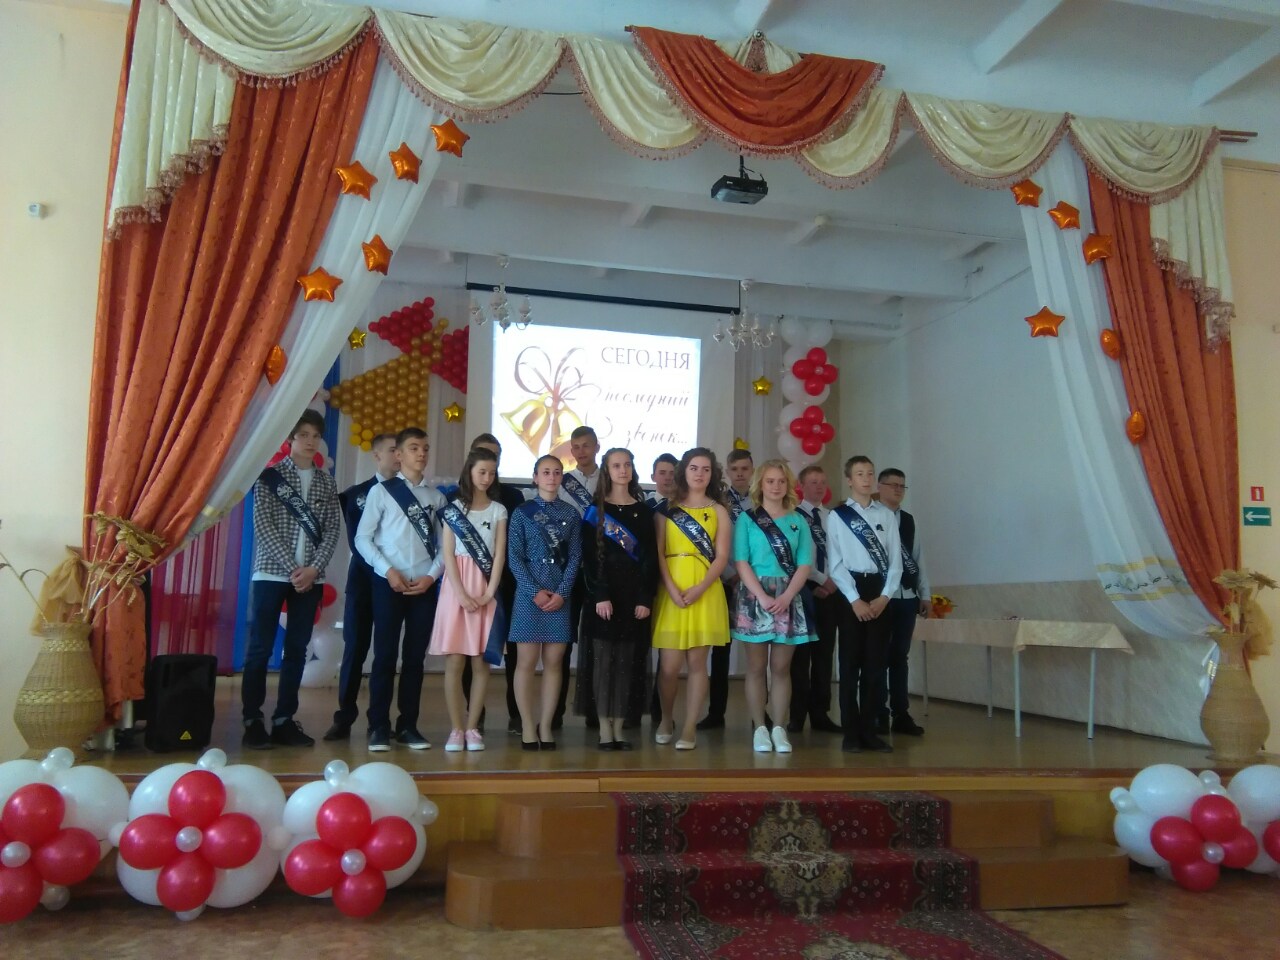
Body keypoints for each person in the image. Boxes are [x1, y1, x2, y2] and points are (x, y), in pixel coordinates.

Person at [242, 410, 340, 750]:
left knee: (297, 649)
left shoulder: (327, 482)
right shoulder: (269, 478)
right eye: (304, 435)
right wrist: (292, 568)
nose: (310, 441)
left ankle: (284, 719)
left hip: (311, 577)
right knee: (260, 648)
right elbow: (263, 527)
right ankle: (252, 720)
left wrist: (313, 569)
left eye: (316, 435)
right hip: (270, 572)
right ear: (290, 440)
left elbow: (332, 529)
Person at [354, 427, 445, 752]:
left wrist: (431, 577)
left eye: (425, 448)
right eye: (414, 447)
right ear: (399, 454)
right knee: (385, 656)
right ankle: (378, 726)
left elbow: (445, 547)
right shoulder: (381, 492)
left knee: (415, 659)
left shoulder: (436, 498)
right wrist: (388, 570)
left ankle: (408, 726)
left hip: (423, 587)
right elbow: (362, 539)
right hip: (388, 584)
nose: (421, 453)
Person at [652, 447, 732, 751]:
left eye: (706, 469)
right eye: (694, 468)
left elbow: (721, 557)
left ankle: (689, 727)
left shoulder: (719, 510)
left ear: (713, 474)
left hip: (705, 590)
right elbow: (659, 553)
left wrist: (700, 588)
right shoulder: (666, 509)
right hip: (671, 588)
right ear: (684, 471)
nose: (700, 474)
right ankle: (666, 719)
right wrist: (672, 589)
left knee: (698, 663)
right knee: (669, 666)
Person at [732, 460, 815, 754]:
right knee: (756, 668)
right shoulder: (747, 520)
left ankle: (779, 728)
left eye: (781, 481)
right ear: (760, 484)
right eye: (770, 481)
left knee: (781, 668)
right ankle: (760, 728)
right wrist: (762, 597)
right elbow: (741, 561)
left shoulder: (798, 521)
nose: (776, 486)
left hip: (788, 597)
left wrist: (787, 596)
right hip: (755, 596)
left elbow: (805, 564)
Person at [430, 447, 509, 752]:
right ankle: (456, 728)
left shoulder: (499, 510)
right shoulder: (454, 509)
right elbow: (448, 554)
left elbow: (499, 554)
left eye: (491, 472)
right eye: (481, 472)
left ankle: (473, 727)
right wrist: (461, 594)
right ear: (470, 472)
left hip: (486, 587)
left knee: (480, 662)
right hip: (457, 588)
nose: (486, 478)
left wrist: (489, 593)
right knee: (455, 660)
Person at [579, 448, 658, 750]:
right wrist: (600, 594)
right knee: (603, 663)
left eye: (627, 464)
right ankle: (604, 728)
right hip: (603, 599)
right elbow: (589, 559)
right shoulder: (595, 511)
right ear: (607, 470)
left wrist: (645, 598)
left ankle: (620, 727)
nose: (623, 470)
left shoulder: (645, 512)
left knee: (626, 664)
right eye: (616, 465)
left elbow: (650, 560)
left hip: (633, 598)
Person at [825, 455, 903, 754]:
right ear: (849, 479)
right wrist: (854, 599)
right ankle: (851, 733)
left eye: (870, 473)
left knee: (875, 665)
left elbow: (895, 561)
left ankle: (870, 731)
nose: (866, 479)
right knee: (850, 665)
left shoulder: (886, 515)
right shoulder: (838, 516)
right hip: (850, 592)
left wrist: (885, 596)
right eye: (860, 474)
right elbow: (835, 563)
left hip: (880, 591)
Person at [324, 433, 398, 742]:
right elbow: (359, 541)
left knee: (386, 651)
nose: (398, 455)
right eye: (392, 450)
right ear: (377, 455)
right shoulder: (356, 495)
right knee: (355, 647)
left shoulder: (410, 494)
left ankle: (379, 720)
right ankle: (344, 716)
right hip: (364, 580)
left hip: (394, 581)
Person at [507, 454, 582, 750]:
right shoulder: (522, 513)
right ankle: (527, 724)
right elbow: (514, 557)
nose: (551, 477)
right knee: (525, 663)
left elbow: (575, 557)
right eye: (546, 472)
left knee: (554, 663)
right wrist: (534, 591)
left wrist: (562, 592)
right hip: (529, 595)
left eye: (557, 472)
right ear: (535, 477)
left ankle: (547, 725)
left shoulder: (571, 514)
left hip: (560, 594)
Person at [461, 434, 527, 735]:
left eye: (495, 456)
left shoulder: (513, 497)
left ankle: (516, 713)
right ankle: (474, 714)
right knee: (469, 651)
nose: (490, 462)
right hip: (469, 583)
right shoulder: (457, 499)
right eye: (484, 454)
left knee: (514, 647)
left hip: (509, 583)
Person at [698, 447, 752, 731]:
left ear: (752, 471)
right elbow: (711, 542)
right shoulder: (718, 502)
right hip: (727, 581)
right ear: (728, 472)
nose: (740, 474)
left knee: (758, 651)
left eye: (745, 469)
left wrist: (752, 577)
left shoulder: (763, 500)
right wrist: (731, 575)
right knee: (721, 650)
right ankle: (716, 713)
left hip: (758, 584)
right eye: (735, 469)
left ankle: (761, 715)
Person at [788, 465, 843, 734]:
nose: (819, 486)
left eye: (822, 481)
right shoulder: (793, 516)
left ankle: (820, 713)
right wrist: (818, 581)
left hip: (832, 590)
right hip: (803, 589)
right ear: (801, 485)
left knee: (824, 655)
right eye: (813, 482)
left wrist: (832, 582)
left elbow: (840, 554)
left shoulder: (833, 517)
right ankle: (796, 715)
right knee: (800, 657)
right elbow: (795, 556)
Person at [877, 468, 929, 737]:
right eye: (893, 485)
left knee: (899, 656)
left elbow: (918, 557)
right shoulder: (871, 516)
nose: (898, 490)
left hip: (906, 597)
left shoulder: (909, 520)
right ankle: (877, 712)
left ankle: (900, 712)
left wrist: (925, 593)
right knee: (877, 655)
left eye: (902, 486)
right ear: (880, 486)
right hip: (879, 598)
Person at [556, 425, 601, 730]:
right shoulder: (562, 482)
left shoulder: (608, 479)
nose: (581, 451)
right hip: (567, 570)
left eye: (586, 445)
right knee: (563, 642)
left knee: (595, 643)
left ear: (597, 447)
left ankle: (595, 710)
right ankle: (555, 711)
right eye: (576, 447)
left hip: (599, 570)